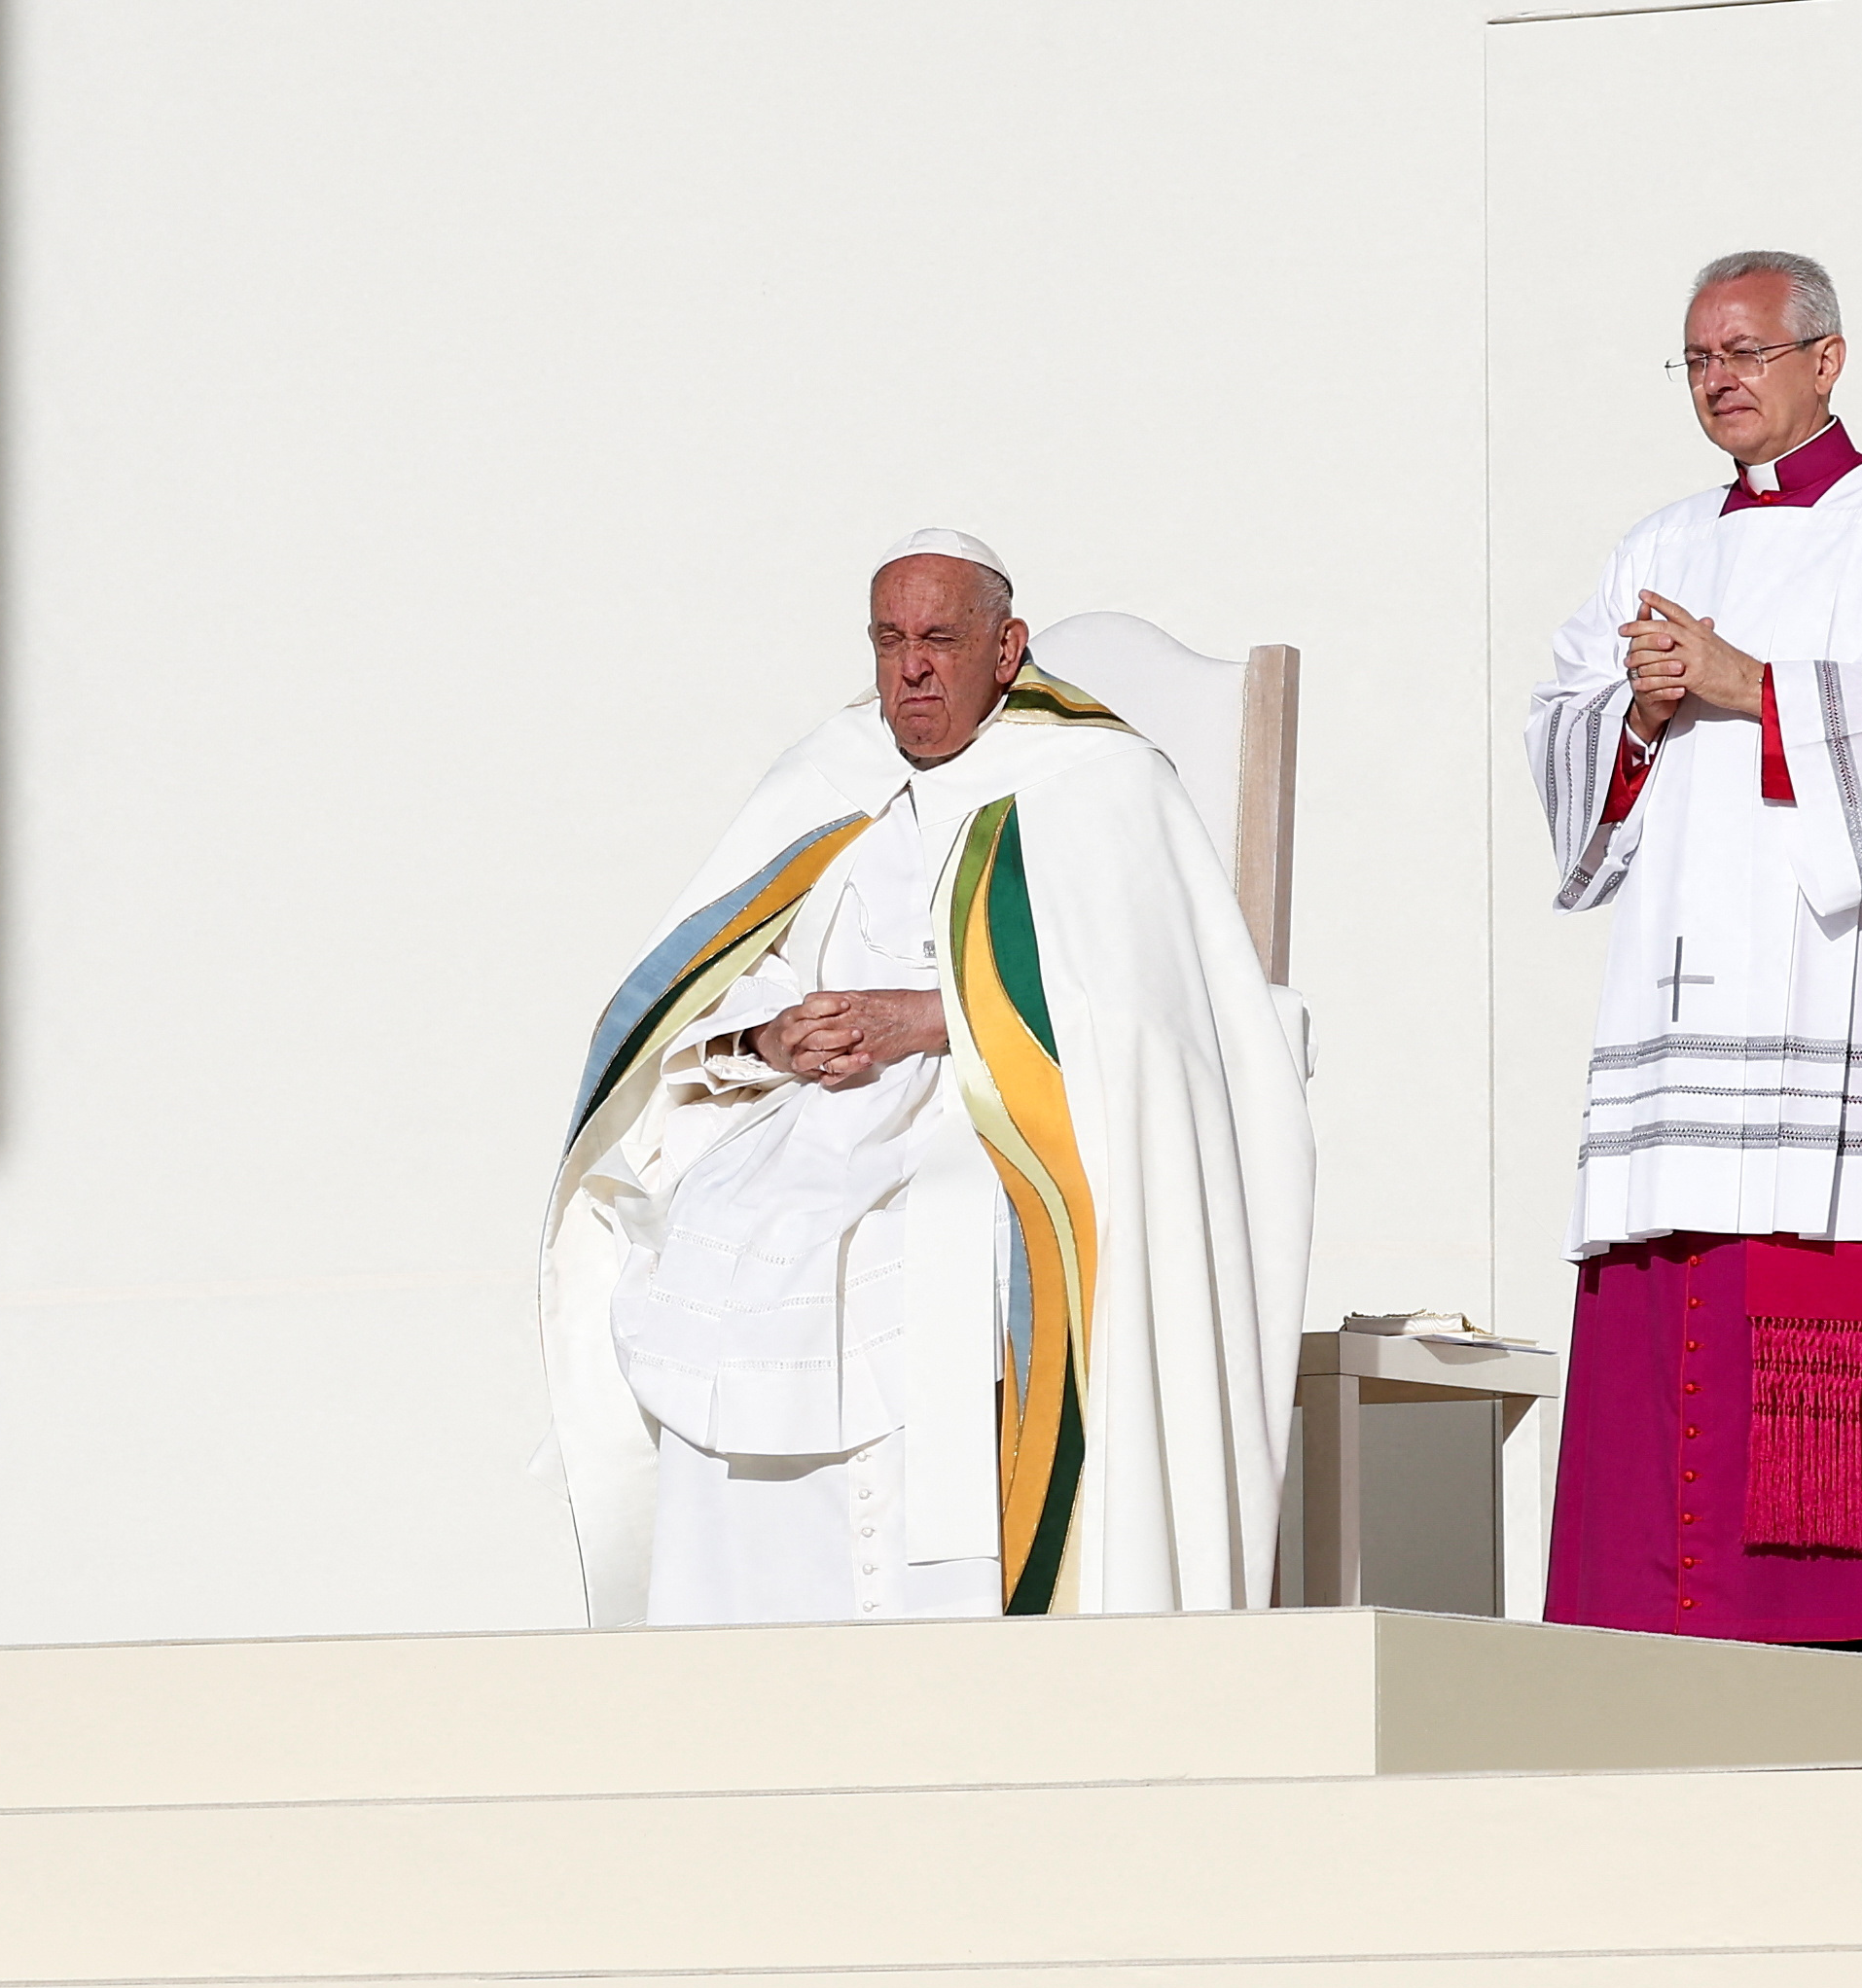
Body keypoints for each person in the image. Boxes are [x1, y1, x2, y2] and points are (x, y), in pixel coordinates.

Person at [541, 533, 1315, 1624]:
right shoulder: (831, 773)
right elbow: (710, 979)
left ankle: (951, 1617)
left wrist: (930, 1019)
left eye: (940, 639)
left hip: (1003, 1108)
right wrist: (771, 1039)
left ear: (1006, 648)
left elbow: (1157, 1013)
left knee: (944, 1231)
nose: (910, 668)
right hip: (814, 1116)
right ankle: (739, 1630)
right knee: (707, 1217)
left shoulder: (1099, 780)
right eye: (888, 639)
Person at [1527, 250, 1862, 1651]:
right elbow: (1565, 736)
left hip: (1843, 992)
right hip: (1679, 994)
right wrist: (1631, 712)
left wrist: (1739, 680)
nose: (1718, 379)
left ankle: (1840, 1637)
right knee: (1675, 1277)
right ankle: (1653, 1639)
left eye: (1744, 350)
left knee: (1815, 1277)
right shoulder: (1653, 545)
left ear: (1825, 359)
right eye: (1696, 358)